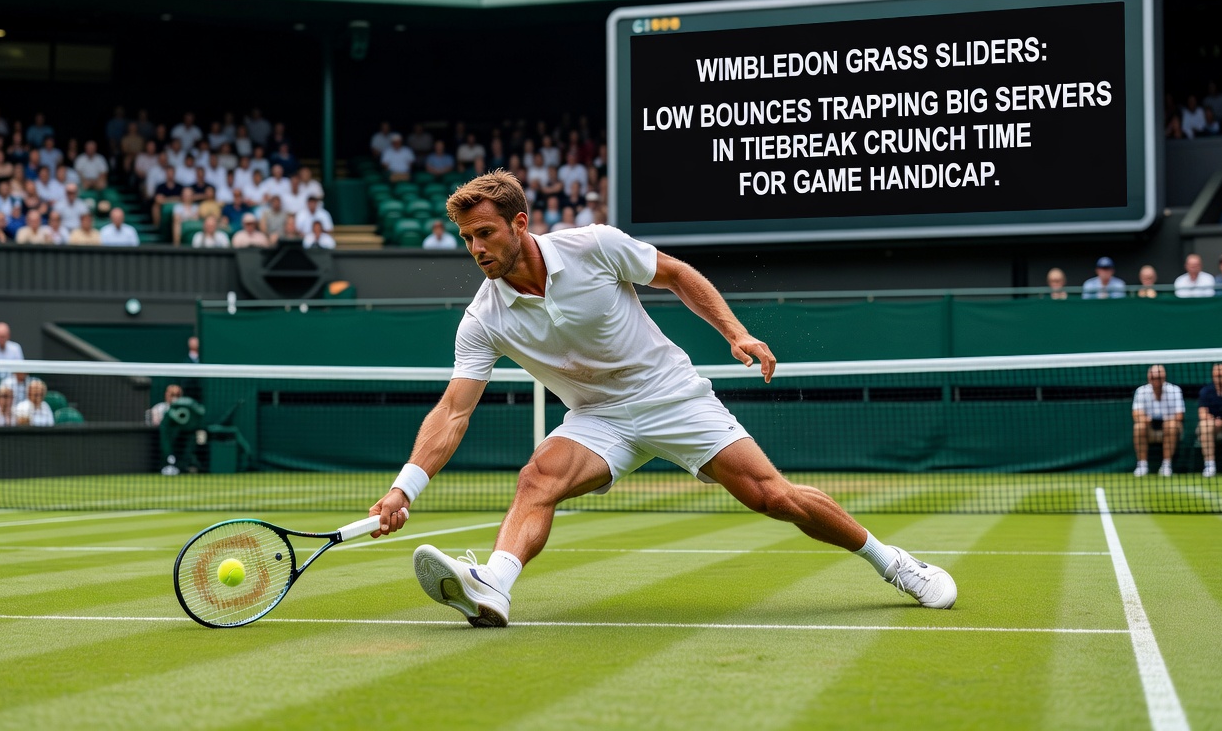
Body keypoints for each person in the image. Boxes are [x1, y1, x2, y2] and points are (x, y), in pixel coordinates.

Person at [367, 171, 957, 628]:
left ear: (520, 223)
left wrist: (736, 333)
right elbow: (453, 411)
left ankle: (894, 563)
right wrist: (404, 489)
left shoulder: (593, 246)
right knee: (536, 479)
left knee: (772, 497)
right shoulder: (483, 318)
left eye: (485, 233)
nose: (476, 248)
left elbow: (675, 274)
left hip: (670, 396)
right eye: (467, 238)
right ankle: (494, 584)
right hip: (597, 418)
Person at [1131, 365, 1184, 477]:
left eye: (1158, 378)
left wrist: (1167, 421)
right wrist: (1147, 419)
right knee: (1138, 426)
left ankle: (1166, 465)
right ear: (1149, 378)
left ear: (1164, 377)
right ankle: (1142, 465)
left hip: (1170, 428)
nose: (1156, 380)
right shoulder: (1141, 391)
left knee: (1171, 425)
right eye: (1153, 378)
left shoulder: (1175, 390)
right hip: (1149, 428)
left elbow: (1179, 416)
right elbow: (1136, 414)